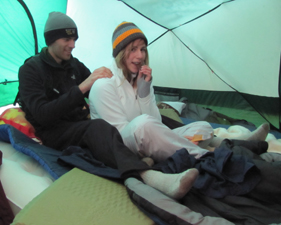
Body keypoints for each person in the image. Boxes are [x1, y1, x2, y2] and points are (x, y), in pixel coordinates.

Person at [17, 12, 199, 200]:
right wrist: (82, 88)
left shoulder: (73, 65)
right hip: (56, 132)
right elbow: (42, 114)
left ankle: (188, 135)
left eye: (74, 39)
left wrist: (134, 89)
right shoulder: (30, 70)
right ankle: (151, 177)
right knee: (98, 128)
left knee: (159, 117)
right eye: (67, 39)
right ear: (51, 39)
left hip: (79, 123)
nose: (73, 44)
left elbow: (100, 88)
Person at [89, 21, 269, 163]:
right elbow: (120, 137)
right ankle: (208, 156)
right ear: (120, 53)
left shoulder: (142, 80)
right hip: (120, 147)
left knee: (203, 127)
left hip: (150, 138)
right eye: (133, 49)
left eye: (143, 49)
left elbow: (156, 123)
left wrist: (144, 93)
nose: (140, 56)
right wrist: (174, 142)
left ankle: (186, 149)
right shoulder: (104, 85)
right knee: (142, 124)